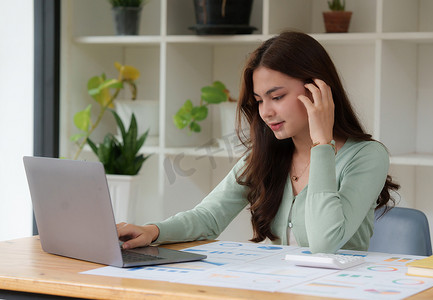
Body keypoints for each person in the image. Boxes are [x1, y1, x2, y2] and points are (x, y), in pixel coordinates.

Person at [117, 31, 399, 253]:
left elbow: (324, 243)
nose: (266, 112)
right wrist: (153, 231)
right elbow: (209, 218)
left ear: (317, 90)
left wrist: (322, 142)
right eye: (259, 100)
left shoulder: (367, 156)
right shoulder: (267, 156)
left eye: (277, 97)